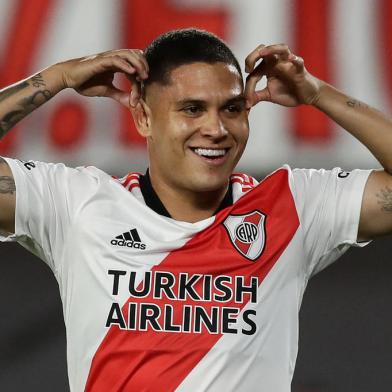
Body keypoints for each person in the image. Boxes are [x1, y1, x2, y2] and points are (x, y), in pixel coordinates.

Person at [0, 28, 391, 392]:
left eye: (233, 109)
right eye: (192, 109)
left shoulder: (293, 206)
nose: (217, 128)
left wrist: (317, 93)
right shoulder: (78, 205)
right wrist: (57, 78)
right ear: (143, 116)